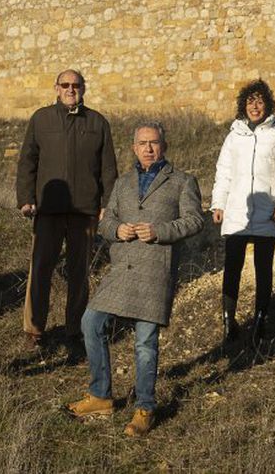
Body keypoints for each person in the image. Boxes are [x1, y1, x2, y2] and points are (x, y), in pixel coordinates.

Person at [67, 122, 203, 438]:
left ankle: (145, 407)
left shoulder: (182, 181)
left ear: (164, 146)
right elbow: (106, 221)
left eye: (154, 143)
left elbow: (195, 220)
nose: (148, 148)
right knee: (91, 322)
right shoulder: (123, 183)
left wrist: (160, 231)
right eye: (142, 143)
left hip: (155, 270)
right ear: (133, 147)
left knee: (144, 342)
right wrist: (117, 230)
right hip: (121, 269)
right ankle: (101, 395)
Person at [16, 69, 117, 357]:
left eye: (76, 85)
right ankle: (34, 331)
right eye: (65, 85)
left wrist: (108, 204)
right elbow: (27, 161)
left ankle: (75, 329)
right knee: (40, 271)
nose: (71, 89)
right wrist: (26, 198)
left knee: (79, 273)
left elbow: (108, 168)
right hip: (47, 210)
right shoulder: (41, 119)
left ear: (83, 88)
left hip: (84, 212)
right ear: (56, 88)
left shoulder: (97, 122)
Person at [211, 79, 275, 345]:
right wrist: (218, 204)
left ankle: (260, 321)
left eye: (260, 101)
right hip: (237, 210)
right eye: (250, 101)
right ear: (243, 105)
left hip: (268, 210)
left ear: (267, 104)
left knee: (263, 268)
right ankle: (228, 322)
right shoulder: (234, 135)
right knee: (232, 267)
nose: (255, 106)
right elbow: (223, 172)